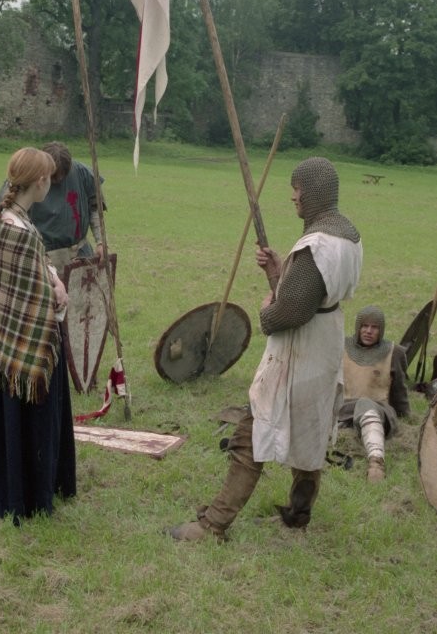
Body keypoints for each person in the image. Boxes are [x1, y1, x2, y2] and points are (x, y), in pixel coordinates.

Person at [168, 156, 363, 542]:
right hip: (323, 346)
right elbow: (313, 293)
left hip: (299, 351)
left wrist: (266, 312)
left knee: (250, 431)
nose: (293, 197)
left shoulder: (316, 245)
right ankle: (298, 516)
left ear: (312, 192)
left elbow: (290, 312)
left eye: (297, 189)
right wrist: (279, 273)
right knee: (310, 432)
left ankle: (213, 525)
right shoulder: (348, 236)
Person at [0, 147, 76, 522]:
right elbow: (37, 297)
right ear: (41, 181)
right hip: (26, 349)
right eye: (50, 178)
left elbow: (35, 267)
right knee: (27, 418)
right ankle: (25, 490)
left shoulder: (4, 216)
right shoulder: (17, 229)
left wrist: (52, 278)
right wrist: (58, 298)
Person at [0, 141, 106, 276]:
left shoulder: (82, 173)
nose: (58, 179)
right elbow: (8, 214)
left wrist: (101, 242)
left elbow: (95, 209)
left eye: (62, 175)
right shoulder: (27, 177)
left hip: (81, 256)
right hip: (43, 259)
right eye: (53, 175)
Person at [338, 305, 410, 483]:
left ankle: (376, 461)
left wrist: (404, 414)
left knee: (365, 404)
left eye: (374, 327)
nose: (369, 331)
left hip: (379, 409)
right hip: (345, 410)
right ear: (358, 327)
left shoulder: (395, 352)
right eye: (365, 326)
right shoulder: (341, 347)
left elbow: (399, 391)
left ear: (381, 330)